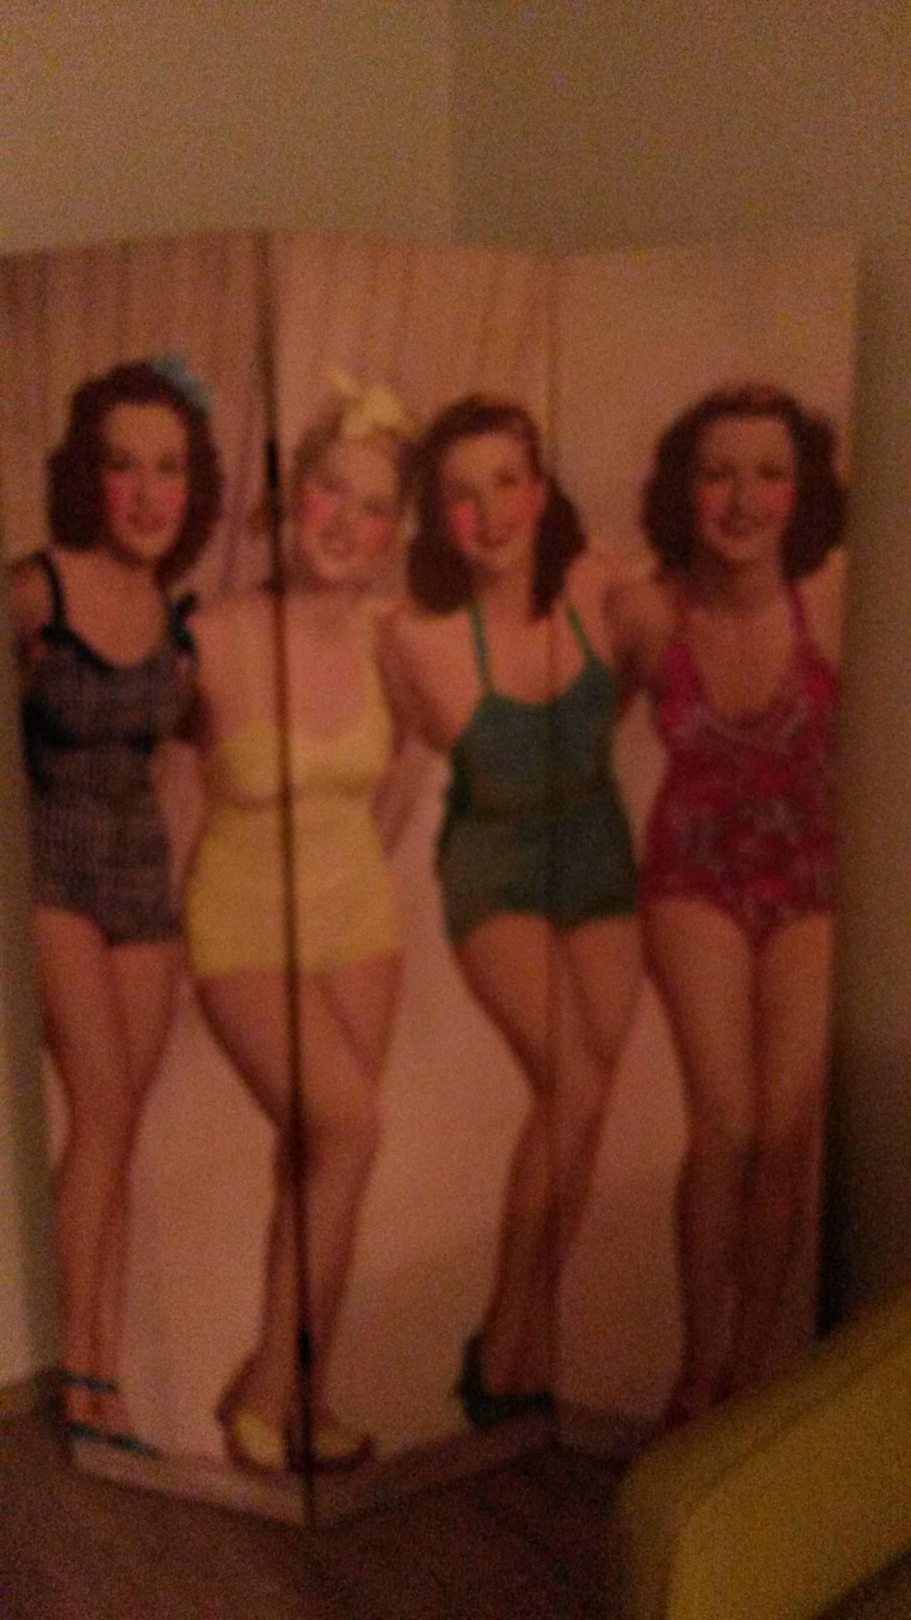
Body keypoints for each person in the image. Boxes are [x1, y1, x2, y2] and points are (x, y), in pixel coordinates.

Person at [379, 395, 641, 1426]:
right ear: (437, 517)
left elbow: (632, 686)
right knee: (570, 1080)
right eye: (460, 494)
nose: (487, 514)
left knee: (586, 1099)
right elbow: (387, 768)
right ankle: (505, 1340)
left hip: (596, 849)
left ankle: (523, 1339)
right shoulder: (418, 638)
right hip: (491, 864)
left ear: (537, 490)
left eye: (503, 483)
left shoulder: (595, 585)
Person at [185, 379, 418, 1474]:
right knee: (351, 1129)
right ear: (292, 499)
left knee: (323, 1160)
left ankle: (303, 1397)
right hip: (240, 927)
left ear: (393, 532)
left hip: (358, 923)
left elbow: (400, 779)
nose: (345, 521)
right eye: (330, 491)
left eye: (372, 506)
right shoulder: (214, 636)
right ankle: (270, 1387)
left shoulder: (388, 644)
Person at [610, 383, 846, 1423]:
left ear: (802, 491)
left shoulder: (833, 597)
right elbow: (565, 741)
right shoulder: (644, 610)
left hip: (811, 878)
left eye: (767, 473)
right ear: (681, 488)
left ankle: (751, 1366)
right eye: (717, 474)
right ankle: (697, 1369)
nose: (742, 500)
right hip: (691, 876)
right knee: (726, 1124)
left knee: (787, 1129)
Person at [10, 355, 222, 1451]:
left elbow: (219, 739)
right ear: (88, 479)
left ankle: (102, 1374)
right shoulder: (34, 590)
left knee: (119, 1129)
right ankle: (83, 1376)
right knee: (99, 1113)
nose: (147, 494)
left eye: (169, 469)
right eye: (124, 466)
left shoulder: (180, 622)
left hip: (143, 875)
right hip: (49, 869)